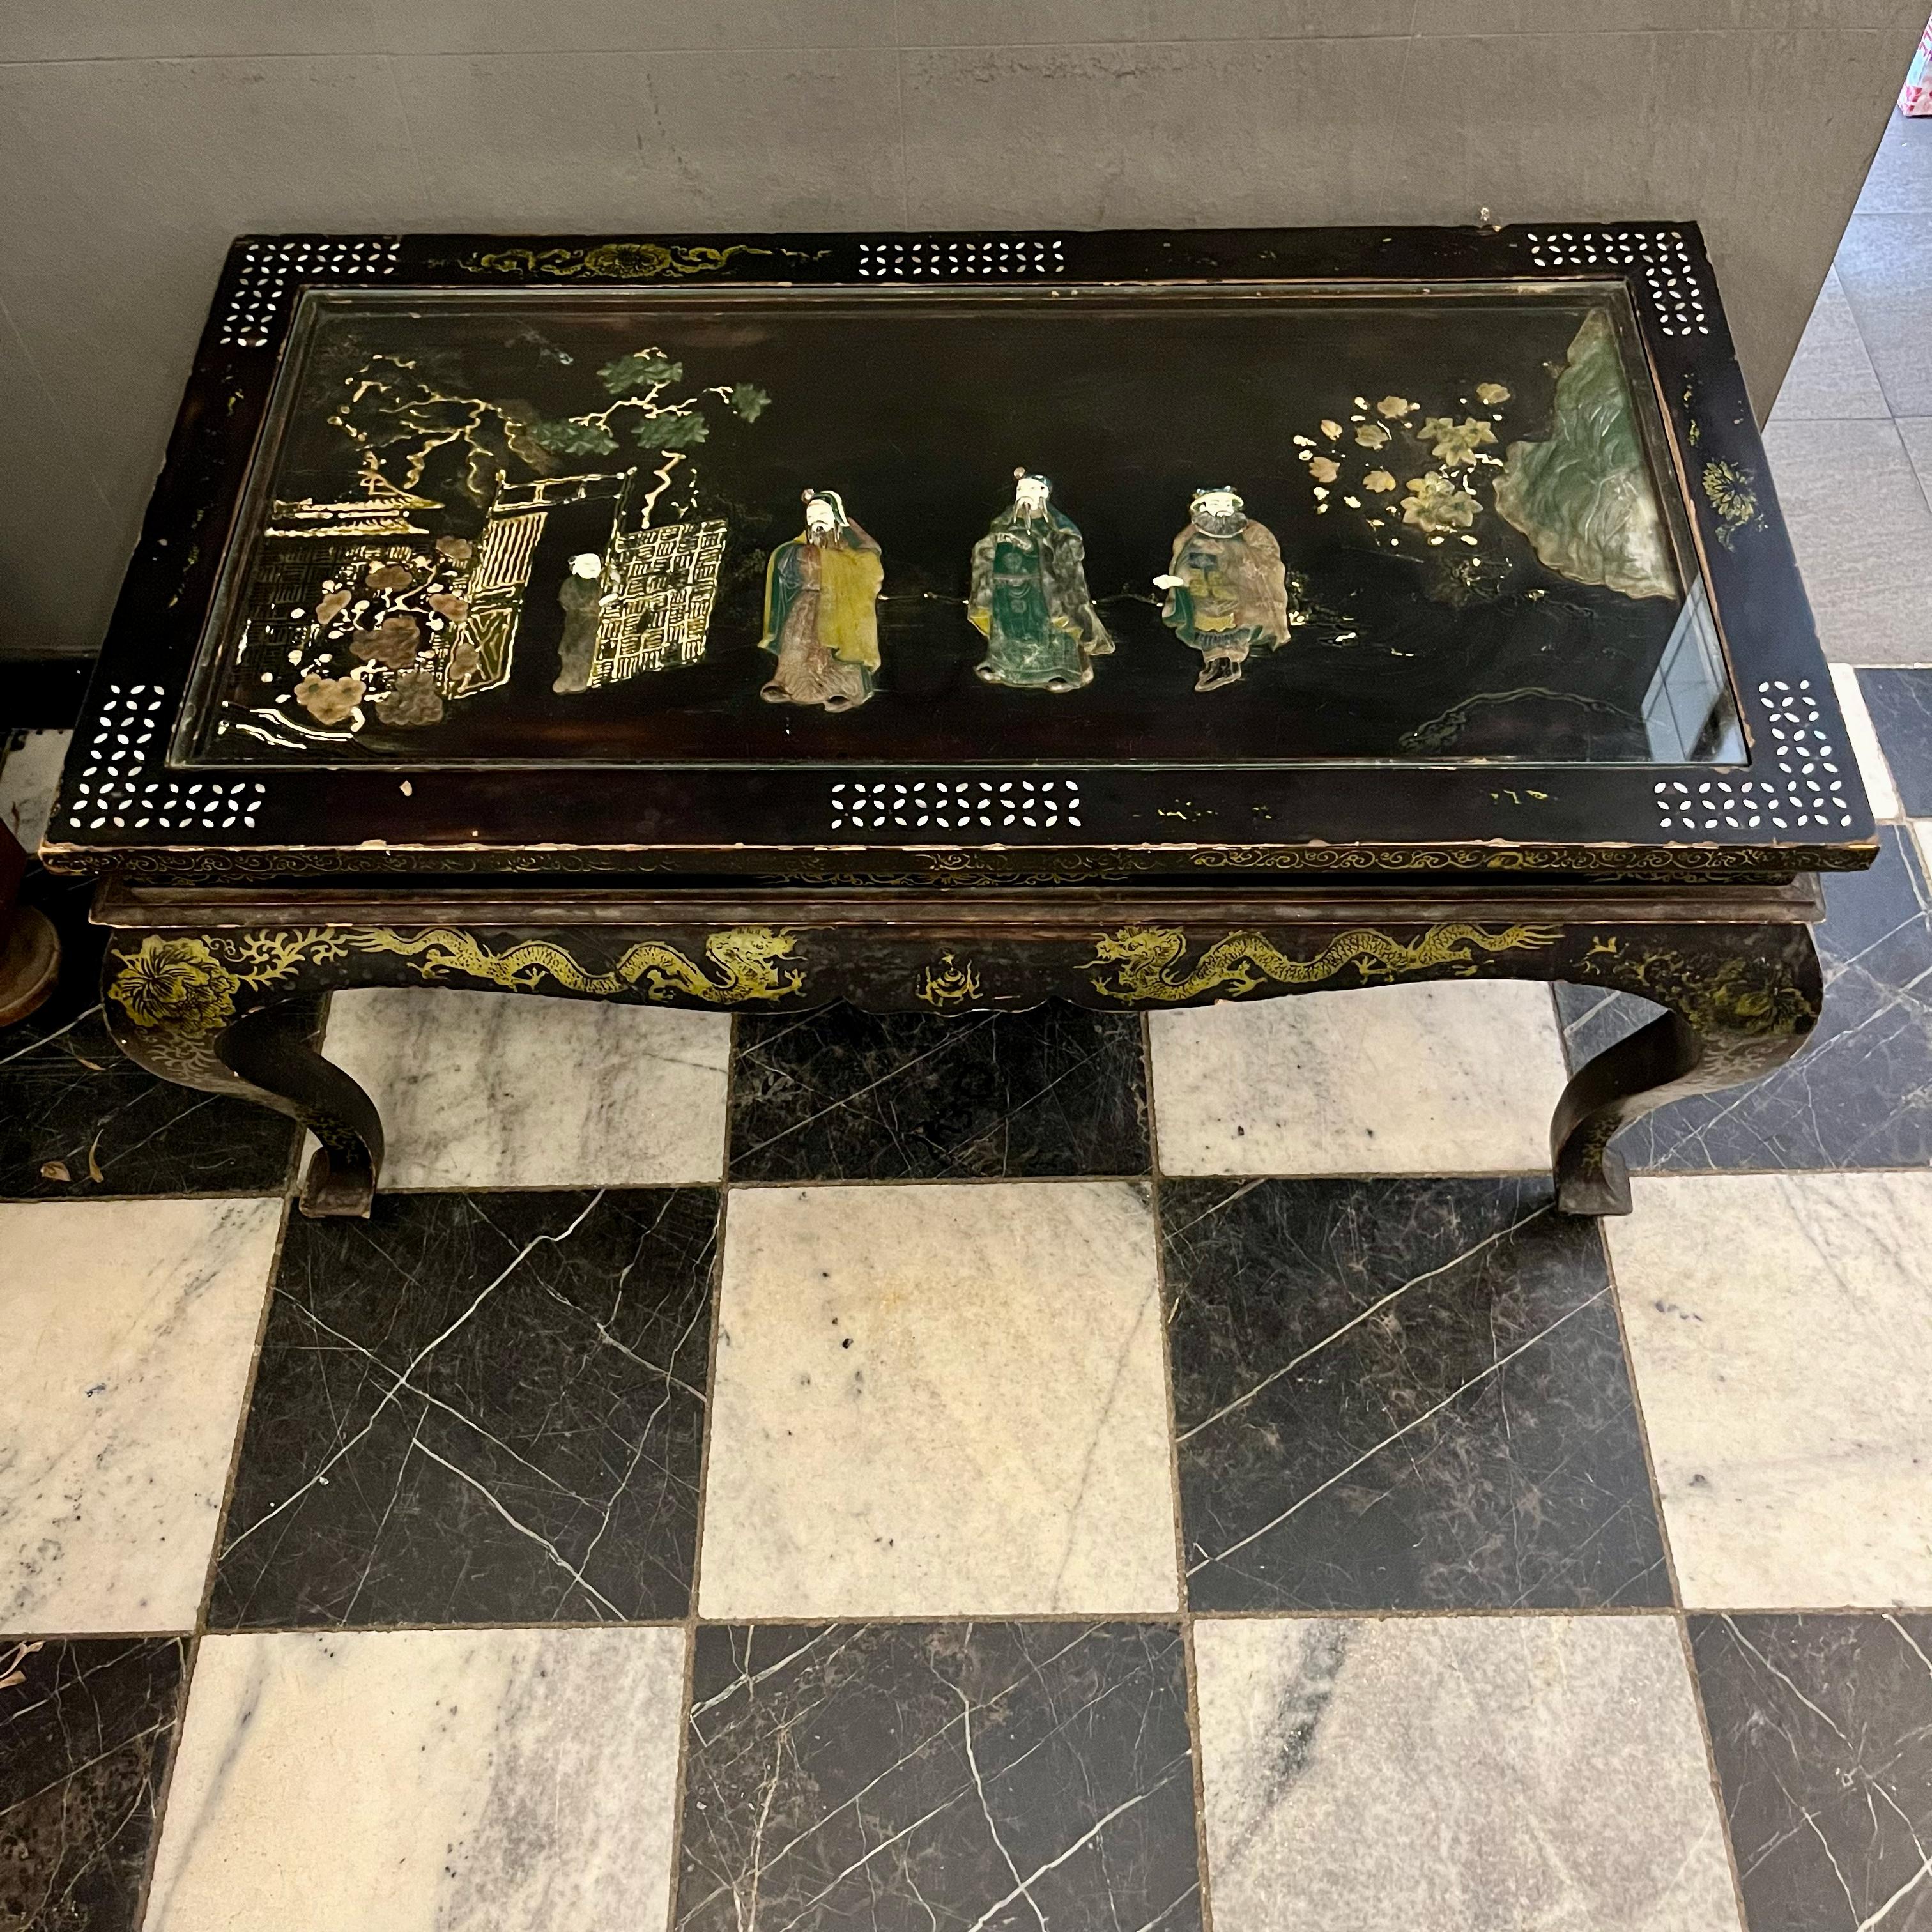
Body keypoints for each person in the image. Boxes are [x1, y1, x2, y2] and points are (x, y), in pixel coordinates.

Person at [967, 470, 1113, 693]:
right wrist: (992, 545)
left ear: (1044, 493)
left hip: (1044, 589)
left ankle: (1066, 673)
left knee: (1050, 628)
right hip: (1004, 587)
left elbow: (1070, 549)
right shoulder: (1003, 523)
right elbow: (985, 548)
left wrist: (1037, 544)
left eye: (1032, 489)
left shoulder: (1056, 526)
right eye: (1021, 490)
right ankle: (1002, 667)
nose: (1025, 494)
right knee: (1007, 628)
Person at [1153, 487, 1291, 692]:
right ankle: (1216, 665)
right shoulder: (1196, 538)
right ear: (1203, 508)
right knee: (1209, 628)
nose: (1223, 509)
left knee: (1234, 628)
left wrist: (1246, 566)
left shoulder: (1248, 532)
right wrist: (1178, 581)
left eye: (1227, 504)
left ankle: (1231, 665)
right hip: (1207, 590)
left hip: (1238, 589)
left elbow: (1265, 556)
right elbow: (1189, 564)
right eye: (1216, 504)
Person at [758, 491, 884, 713]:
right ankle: (787, 684)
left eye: (822, 513)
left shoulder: (846, 540)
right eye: (811, 513)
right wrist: (798, 557)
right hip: (807, 603)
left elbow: (870, 563)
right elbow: (787, 557)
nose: (815, 518)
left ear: (836, 515)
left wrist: (831, 563)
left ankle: (843, 690)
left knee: (836, 651)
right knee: (797, 642)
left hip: (839, 605)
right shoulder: (804, 542)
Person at [554, 551, 605, 693]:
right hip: (576, 620)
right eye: (587, 564)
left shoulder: (599, 585)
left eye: (596, 564)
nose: (592, 567)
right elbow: (567, 601)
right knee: (569, 649)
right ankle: (568, 676)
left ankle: (580, 679)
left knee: (585, 649)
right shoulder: (570, 584)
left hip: (591, 623)